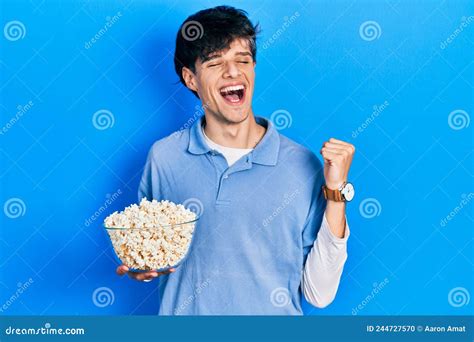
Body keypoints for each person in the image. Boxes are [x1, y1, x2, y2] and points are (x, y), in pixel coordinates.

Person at [117, 5, 356, 315]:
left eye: (242, 60)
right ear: (191, 79)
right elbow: (153, 255)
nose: (233, 72)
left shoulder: (302, 164)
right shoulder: (164, 158)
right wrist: (142, 265)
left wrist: (336, 194)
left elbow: (319, 294)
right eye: (215, 63)